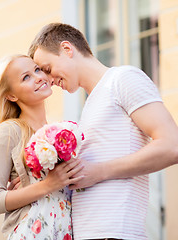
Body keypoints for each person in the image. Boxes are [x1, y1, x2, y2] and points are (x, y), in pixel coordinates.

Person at [28, 23, 178, 240]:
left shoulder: (122, 79)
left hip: (115, 234)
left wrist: (99, 171)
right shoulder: (91, 103)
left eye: (48, 68)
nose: (49, 80)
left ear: (67, 49)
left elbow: (172, 145)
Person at [0, 54, 84, 240]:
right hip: (32, 232)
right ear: (12, 95)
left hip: (63, 232)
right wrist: (47, 184)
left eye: (37, 70)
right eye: (26, 77)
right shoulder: (10, 131)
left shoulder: (59, 133)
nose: (38, 77)